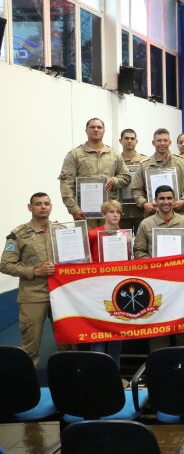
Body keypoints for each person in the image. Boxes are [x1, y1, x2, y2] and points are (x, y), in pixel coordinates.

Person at [1, 193, 65, 366]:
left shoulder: (62, 231)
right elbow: (5, 264)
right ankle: (24, 389)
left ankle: (68, 385)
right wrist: (35, 271)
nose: (43, 207)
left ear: (51, 207)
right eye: (38, 204)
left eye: (46, 203)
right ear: (30, 208)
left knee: (67, 345)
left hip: (62, 294)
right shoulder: (19, 235)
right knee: (30, 347)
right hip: (33, 295)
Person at [58, 117, 131, 227]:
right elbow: (66, 184)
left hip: (109, 213)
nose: (96, 130)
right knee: (87, 242)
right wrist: (73, 209)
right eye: (92, 127)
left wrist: (114, 180)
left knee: (107, 242)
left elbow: (126, 176)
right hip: (84, 213)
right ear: (86, 130)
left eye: (99, 127)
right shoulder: (75, 154)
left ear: (104, 131)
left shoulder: (114, 155)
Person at [87, 200, 131, 366]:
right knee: (98, 331)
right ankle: (96, 371)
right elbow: (87, 260)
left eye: (118, 212)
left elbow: (128, 260)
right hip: (98, 286)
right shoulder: (93, 234)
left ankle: (115, 371)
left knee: (117, 332)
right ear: (104, 214)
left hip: (118, 286)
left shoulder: (125, 236)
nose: (115, 215)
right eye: (111, 212)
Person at [131, 128, 184, 217]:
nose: (162, 143)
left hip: (178, 214)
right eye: (159, 140)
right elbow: (136, 189)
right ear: (153, 143)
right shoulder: (144, 165)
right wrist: (144, 204)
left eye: (165, 140)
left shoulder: (181, 162)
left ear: (170, 142)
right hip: (153, 215)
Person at [133, 185, 184, 259]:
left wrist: (182, 261)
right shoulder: (145, 224)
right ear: (155, 200)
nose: (166, 202)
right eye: (162, 198)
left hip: (180, 267)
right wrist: (153, 263)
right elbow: (139, 251)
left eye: (169, 198)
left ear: (174, 200)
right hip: (156, 268)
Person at [117, 128, 149, 232]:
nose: (129, 141)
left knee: (143, 243)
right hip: (122, 211)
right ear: (120, 141)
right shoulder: (115, 160)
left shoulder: (145, 161)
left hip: (141, 210)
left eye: (132, 138)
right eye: (126, 138)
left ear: (136, 141)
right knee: (123, 242)